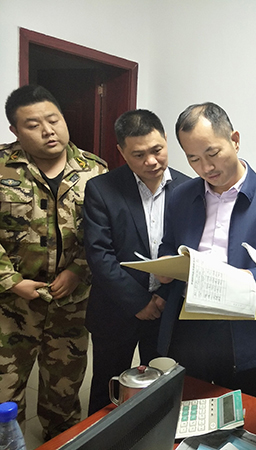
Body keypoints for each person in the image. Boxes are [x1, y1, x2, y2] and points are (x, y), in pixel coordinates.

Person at [157, 102, 256, 398]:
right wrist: (165, 262)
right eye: (194, 159)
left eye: (212, 153)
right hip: (187, 323)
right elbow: (168, 243)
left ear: (235, 140)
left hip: (243, 327)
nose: (206, 168)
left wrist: (245, 279)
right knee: (188, 405)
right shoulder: (182, 196)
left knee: (242, 412)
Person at [0, 85, 107, 440]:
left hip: (70, 305)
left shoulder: (95, 171)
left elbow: (104, 236)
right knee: (4, 396)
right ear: (15, 130)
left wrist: (78, 270)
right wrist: (11, 281)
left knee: (65, 393)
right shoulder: (2, 167)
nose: (48, 131)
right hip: (10, 307)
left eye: (54, 120)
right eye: (33, 125)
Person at [83, 109, 190, 415]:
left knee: (161, 387)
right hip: (115, 309)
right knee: (108, 388)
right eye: (139, 155)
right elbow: (99, 255)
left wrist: (163, 296)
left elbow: (189, 251)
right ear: (121, 152)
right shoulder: (101, 189)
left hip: (168, 307)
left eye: (157, 150)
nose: (151, 161)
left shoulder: (189, 188)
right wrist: (139, 302)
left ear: (166, 139)